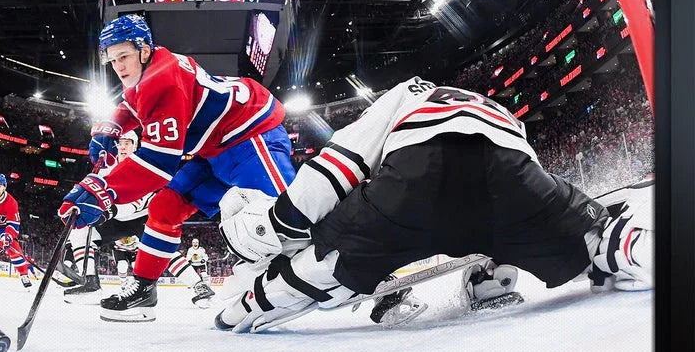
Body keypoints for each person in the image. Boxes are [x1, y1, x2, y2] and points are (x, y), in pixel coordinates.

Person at [214, 78, 654, 333]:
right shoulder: (501, 109)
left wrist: (285, 220)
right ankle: (624, 247)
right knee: (594, 240)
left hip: (414, 180)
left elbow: (343, 161)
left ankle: (258, 301)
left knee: (320, 266)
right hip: (511, 173)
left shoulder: (408, 90)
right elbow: (527, 181)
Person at [58, 13, 295, 322]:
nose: (118, 66)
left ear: (144, 50)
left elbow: (159, 163)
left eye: (124, 56)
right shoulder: (148, 71)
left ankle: (362, 265)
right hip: (214, 147)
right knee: (164, 207)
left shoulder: (163, 80)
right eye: (113, 59)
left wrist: (103, 190)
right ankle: (143, 289)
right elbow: (131, 104)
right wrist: (111, 126)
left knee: (292, 217)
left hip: (250, 134)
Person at [61, 130, 215, 308]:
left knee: (162, 249)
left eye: (128, 142)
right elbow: (94, 194)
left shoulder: (144, 165)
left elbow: (136, 201)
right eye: (121, 142)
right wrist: (79, 204)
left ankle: (199, 286)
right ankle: (90, 282)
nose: (123, 146)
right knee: (79, 230)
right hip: (115, 217)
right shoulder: (105, 167)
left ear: (136, 146)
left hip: (142, 216)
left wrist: (108, 210)